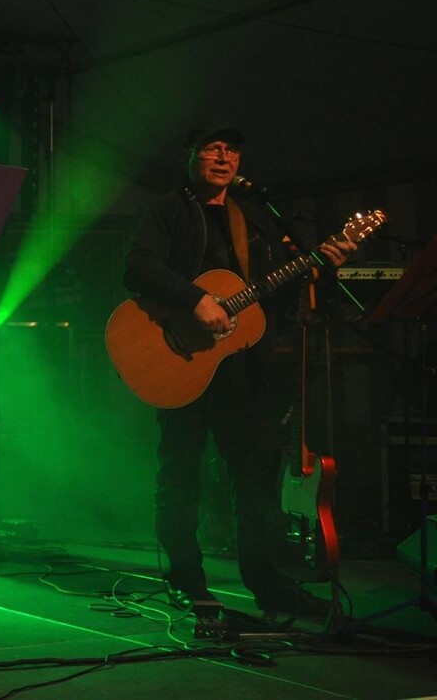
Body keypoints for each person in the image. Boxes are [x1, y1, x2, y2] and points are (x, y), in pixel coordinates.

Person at [122, 123, 356, 619]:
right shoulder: (167, 210)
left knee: (254, 477)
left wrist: (316, 265)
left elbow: (268, 294)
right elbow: (138, 267)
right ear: (190, 156)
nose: (224, 157)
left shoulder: (255, 216)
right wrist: (196, 298)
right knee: (181, 474)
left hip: (242, 367)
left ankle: (267, 583)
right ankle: (187, 580)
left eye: (231, 150)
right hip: (181, 362)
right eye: (212, 148)